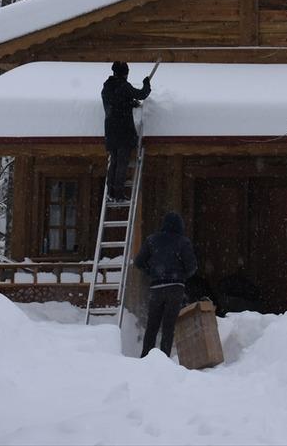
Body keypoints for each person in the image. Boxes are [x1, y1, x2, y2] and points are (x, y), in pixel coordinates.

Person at [134, 212, 197, 358]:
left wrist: (151, 272)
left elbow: (138, 262)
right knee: (168, 327)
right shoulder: (183, 242)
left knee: (152, 326)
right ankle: (164, 359)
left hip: (157, 287)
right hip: (176, 288)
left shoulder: (152, 240)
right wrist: (182, 276)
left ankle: (145, 357)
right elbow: (192, 267)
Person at [101, 61, 151, 202]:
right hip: (123, 130)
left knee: (114, 162)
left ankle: (110, 192)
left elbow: (116, 103)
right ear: (124, 74)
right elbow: (141, 94)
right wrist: (146, 84)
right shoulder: (124, 86)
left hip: (110, 130)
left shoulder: (106, 87)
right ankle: (118, 194)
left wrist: (129, 103)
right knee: (122, 163)